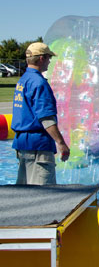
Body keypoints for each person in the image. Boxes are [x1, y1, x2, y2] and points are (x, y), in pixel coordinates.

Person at [11, 42, 70, 185]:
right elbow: (46, 119)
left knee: (25, 191)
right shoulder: (39, 83)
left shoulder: (23, 80)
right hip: (38, 146)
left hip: (22, 143)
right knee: (44, 195)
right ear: (42, 58)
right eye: (49, 58)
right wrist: (61, 143)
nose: (50, 62)